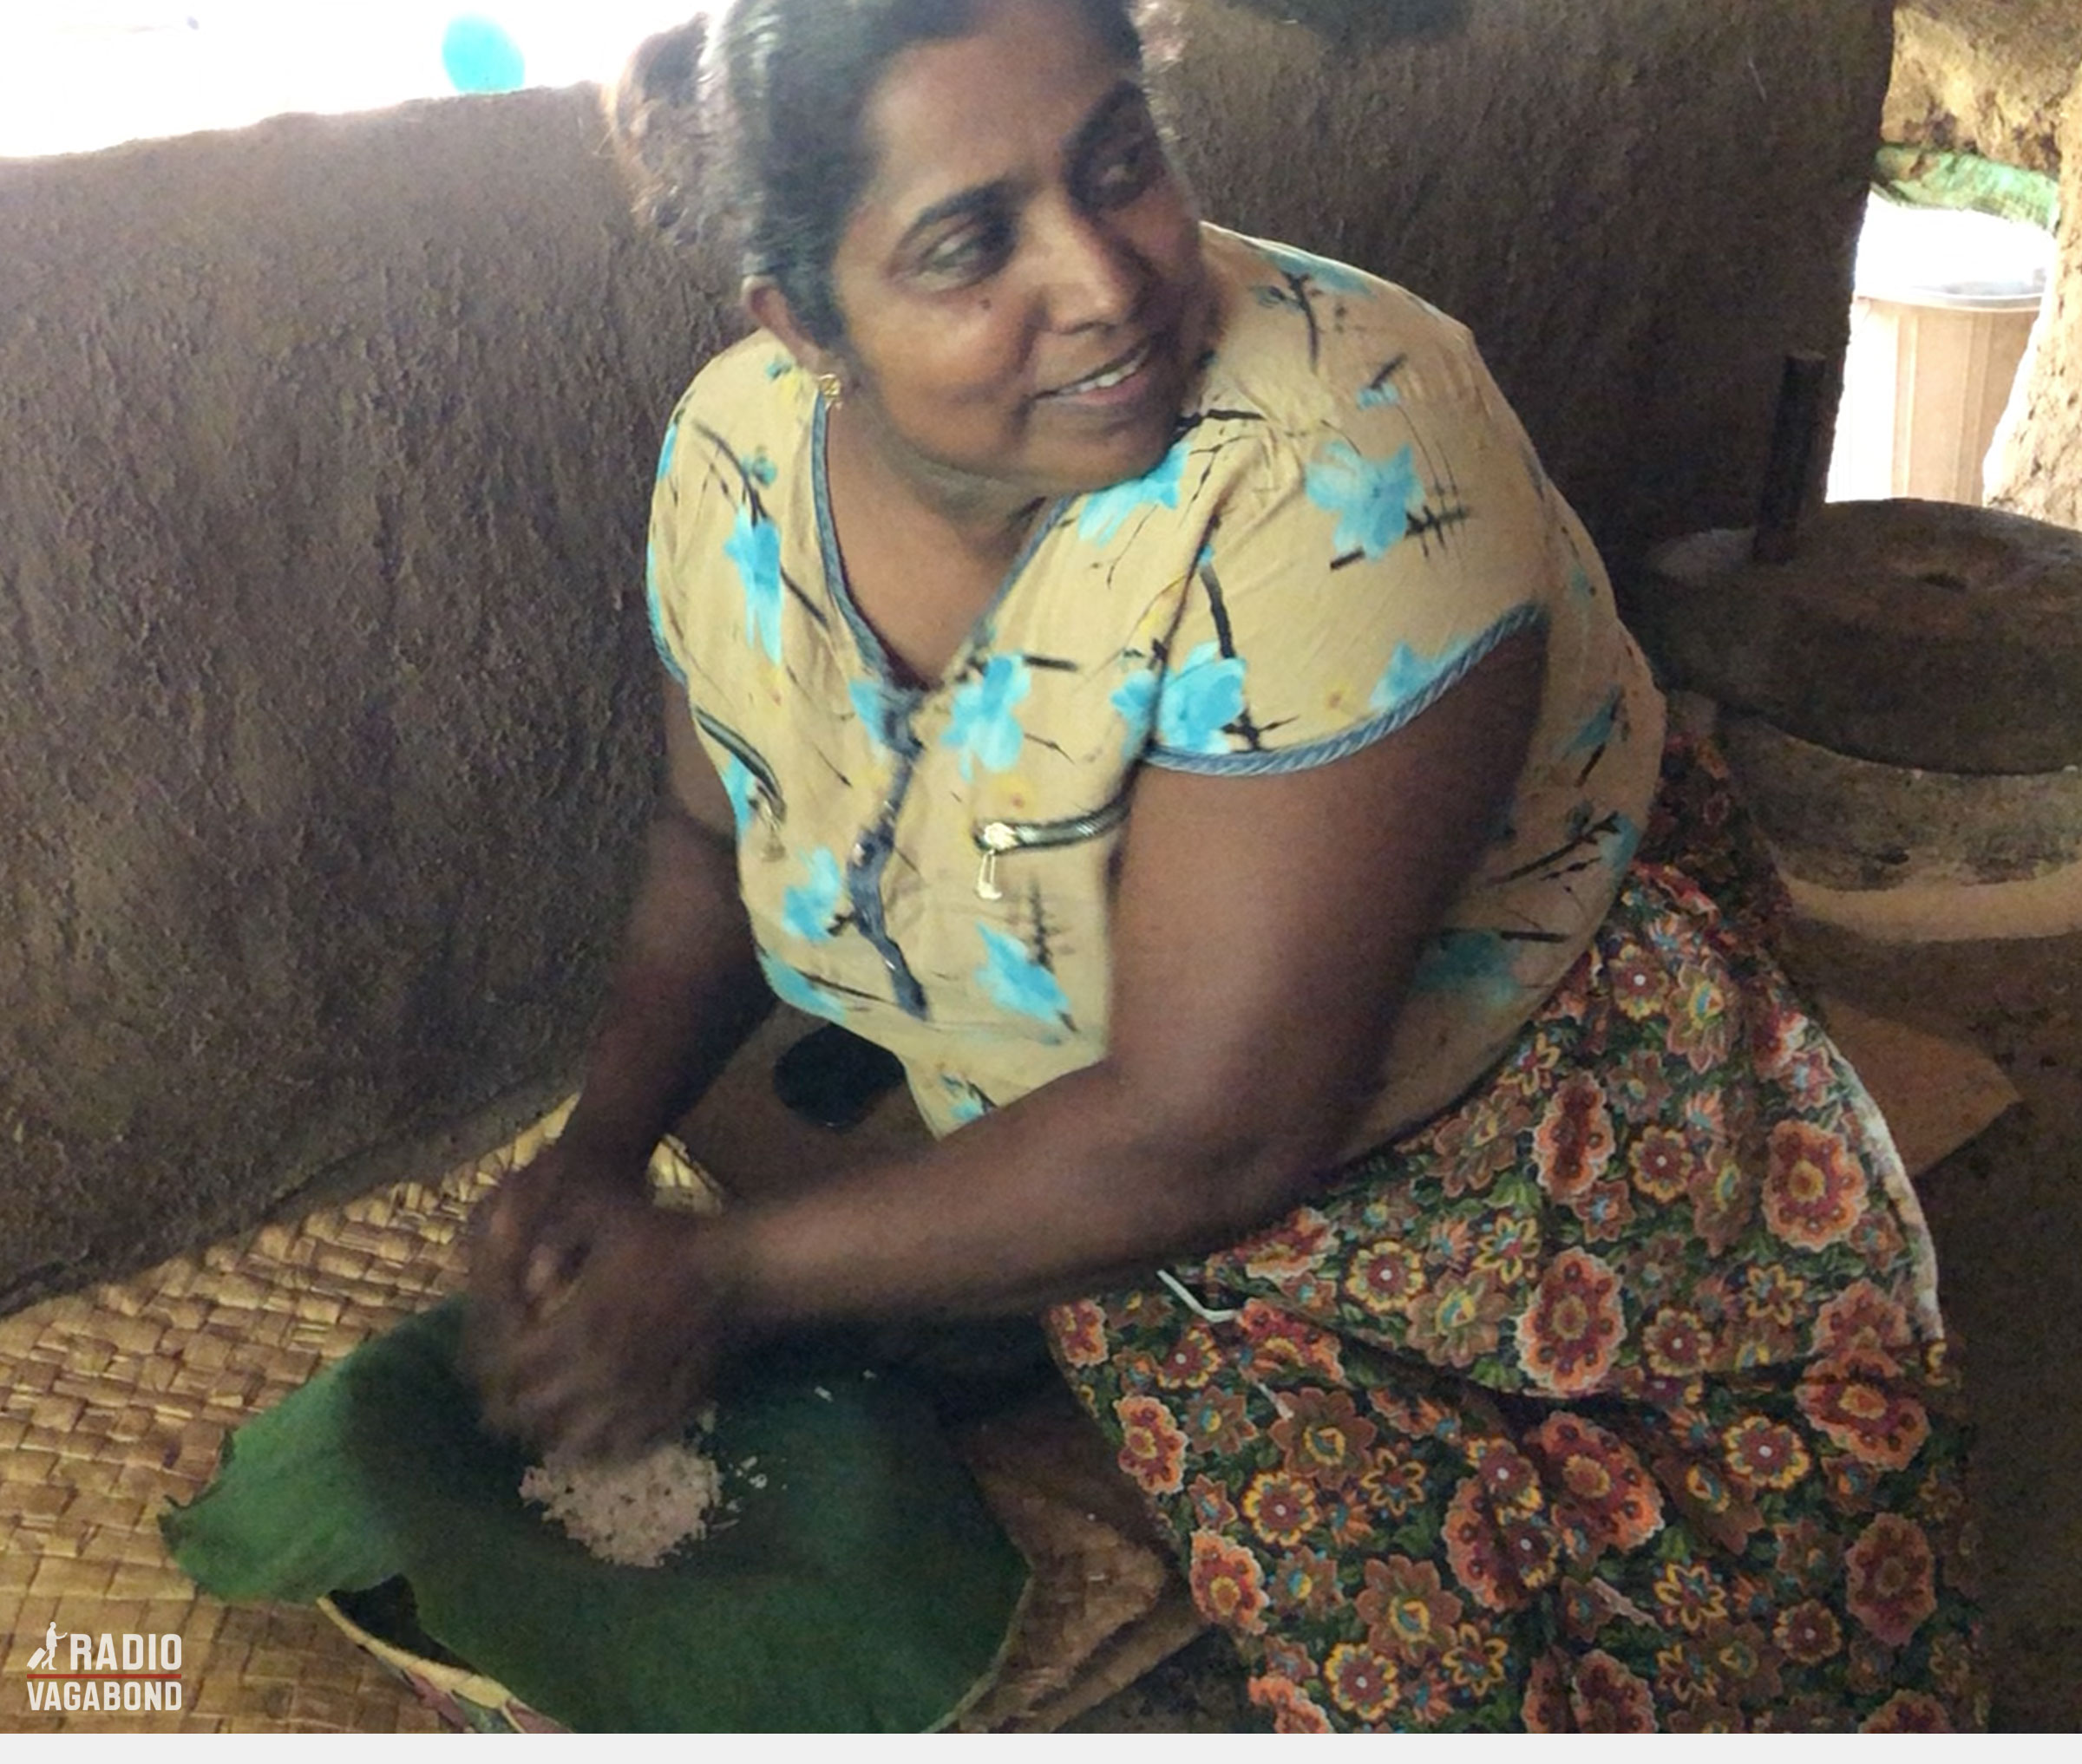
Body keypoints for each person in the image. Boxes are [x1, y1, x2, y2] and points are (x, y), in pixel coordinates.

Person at [466, 0, 1984, 1731]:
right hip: (1128, 1193)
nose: (1107, 279)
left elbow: (1221, 1126)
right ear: (801, 324)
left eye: (1121, 160)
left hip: (1521, 1153)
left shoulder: (1350, 466)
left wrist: (718, 1281)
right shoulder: (739, 466)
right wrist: (597, 1155)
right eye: (972, 244)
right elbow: (706, 830)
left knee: (1726, 1662)